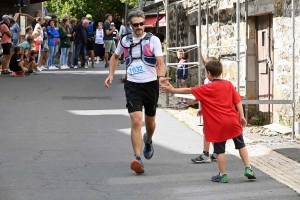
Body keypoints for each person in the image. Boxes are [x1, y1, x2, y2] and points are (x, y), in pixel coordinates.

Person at [160, 60, 256, 183]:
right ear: (221, 72)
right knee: (241, 145)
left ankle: (223, 175)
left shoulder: (206, 87)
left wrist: (172, 90)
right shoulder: (229, 85)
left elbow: (189, 90)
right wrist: (242, 116)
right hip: (232, 121)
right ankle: (248, 168)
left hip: (218, 125)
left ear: (209, 73)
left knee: (220, 150)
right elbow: (237, 101)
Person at [104, 9, 169, 174]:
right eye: (136, 24)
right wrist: (111, 74)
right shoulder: (125, 40)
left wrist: (161, 77)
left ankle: (148, 140)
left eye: (141, 24)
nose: (139, 27)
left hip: (151, 84)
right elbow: (115, 57)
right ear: (130, 25)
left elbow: (160, 62)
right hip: (132, 84)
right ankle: (137, 158)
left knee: (150, 123)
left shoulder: (153, 40)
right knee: (136, 120)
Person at [191, 57, 219, 163]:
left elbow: (206, 96)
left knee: (207, 131)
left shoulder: (209, 81)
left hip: (210, 110)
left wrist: (203, 108)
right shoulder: (220, 81)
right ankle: (216, 152)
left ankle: (206, 154)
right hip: (213, 109)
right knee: (212, 131)